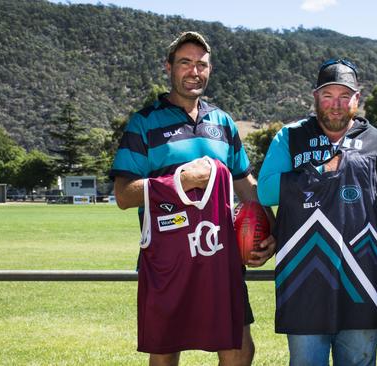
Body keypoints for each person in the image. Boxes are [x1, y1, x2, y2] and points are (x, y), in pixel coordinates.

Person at [109, 31, 275, 366]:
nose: (194, 71)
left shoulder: (223, 123)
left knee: (240, 350)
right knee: (166, 351)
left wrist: (272, 232)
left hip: (220, 255)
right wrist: (179, 181)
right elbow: (124, 195)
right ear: (168, 67)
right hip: (167, 258)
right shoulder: (144, 123)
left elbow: (246, 187)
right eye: (185, 63)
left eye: (201, 65)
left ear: (210, 71)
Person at [257, 58, 377, 365]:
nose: (336, 105)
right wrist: (320, 170)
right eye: (328, 96)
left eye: (345, 96)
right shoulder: (290, 137)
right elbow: (266, 190)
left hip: (363, 284)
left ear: (358, 98)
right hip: (304, 283)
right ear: (315, 97)